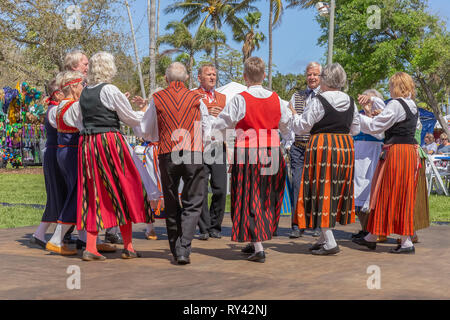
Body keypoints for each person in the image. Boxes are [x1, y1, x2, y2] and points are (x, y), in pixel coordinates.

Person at [66, 52, 154, 261]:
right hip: (110, 143)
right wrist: (145, 112)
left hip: (88, 145)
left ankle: (91, 247)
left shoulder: (85, 93)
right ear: (109, 68)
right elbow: (130, 119)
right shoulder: (110, 90)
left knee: (93, 191)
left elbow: (78, 121)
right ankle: (129, 246)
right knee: (125, 187)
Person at [209, 57, 290, 263]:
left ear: (245, 76)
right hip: (272, 150)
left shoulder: (240, 98)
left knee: (249, 196)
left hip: (248, 151)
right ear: (264, 75)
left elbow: (223, 123)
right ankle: (256, 239)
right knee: (267, 196)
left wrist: (213, 132)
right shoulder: (277, 98)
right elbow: (286, 125)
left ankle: (258, 245)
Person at [135, 62, 210, 265]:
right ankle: (183, 247)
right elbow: (206, 126)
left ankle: (176, 247)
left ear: (166, 79)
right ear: (186, 79)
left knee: (170, 200)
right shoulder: (197, 98)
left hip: (167, 152)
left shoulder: (157, 98)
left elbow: (146, 129)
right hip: (193, 152)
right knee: (193, 201)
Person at [291, 63, 360, 255]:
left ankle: (330, 241)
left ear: (326, 80)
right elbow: (356, 129)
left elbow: (302, 126)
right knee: (336, 189)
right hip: (345, 147)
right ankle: (323, 237)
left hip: (323, 146)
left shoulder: (319, 101)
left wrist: (293, 115)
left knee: (321, 189)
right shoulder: (350, 101)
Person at [353, 72, 420, 254]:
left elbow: (376, 127)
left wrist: (355, 116)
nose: (389, 89)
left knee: (387, 191)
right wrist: (378, 108)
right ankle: (374, 236)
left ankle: (403, 241)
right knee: (398, 193)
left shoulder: (396, 105)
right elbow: (391, 120)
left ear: (396, 87)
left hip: (397, 152)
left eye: (391, 85)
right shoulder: (411, 105)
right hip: (408, 151)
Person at [44, 71, 84, 255]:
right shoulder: (75, 106)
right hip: (72, 152)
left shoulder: (59, 106)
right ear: (74, 87)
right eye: (81, 85)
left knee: (76, 192)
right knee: (76, 193)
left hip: (63, 151)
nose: (83, 88)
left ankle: (85, 238)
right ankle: (56, 239)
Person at [30, 75, 66, 248]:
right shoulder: (55, 110)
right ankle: (41, 232)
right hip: (54, 154)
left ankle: (44, 232)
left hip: (55, 153)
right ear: (57, 93)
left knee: (60, 194)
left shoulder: (56, 108)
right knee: (57, 194)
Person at [287, 62, 322, 239]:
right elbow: (291, 122)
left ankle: (316, 224)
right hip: (298, 148)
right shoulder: (297, 96)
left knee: (316, 186)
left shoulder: (325, 96)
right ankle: (297, 224)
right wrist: (289, 144)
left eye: (315, 74)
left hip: (317, 147)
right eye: (309, 74)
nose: (312, 77)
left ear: (321, 77)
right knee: (297, 186)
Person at [194, 64, 227, 240]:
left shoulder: (223, 97)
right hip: (200, 146)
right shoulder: (193, 96)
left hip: (218, 146)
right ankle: (204, 228)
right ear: (199, 78)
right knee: (201, 188)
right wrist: (205, 111)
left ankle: (216, 226)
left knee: (220, 188)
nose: (212, 77)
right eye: (208, 74)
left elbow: (229, 122)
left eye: (214, 74)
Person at [351, 89, 385, 241]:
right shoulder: (357, 114)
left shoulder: (382, 114)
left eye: (369, 100)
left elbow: (379, 133)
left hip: (374, 153)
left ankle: (374, 229)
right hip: (358, 152)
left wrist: (371, 113)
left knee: (371, 192)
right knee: (357, 192)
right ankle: (365, 228)